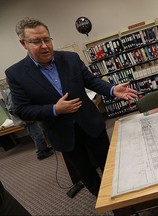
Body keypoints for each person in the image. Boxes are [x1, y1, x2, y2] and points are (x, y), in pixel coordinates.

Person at [5, 17, 138, 197]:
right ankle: (104, 200)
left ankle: (125, 195)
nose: (44, 46)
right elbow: (22, 109)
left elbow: (91, 81)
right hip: (61, 133)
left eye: (47, 39)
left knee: (111, 164)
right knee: (86, 173)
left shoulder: (71, 58)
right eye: (36, 42)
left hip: (90, 124)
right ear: (24, 44)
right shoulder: (15, 73)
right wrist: (54, 109)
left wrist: (113, 89)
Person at [2, 86, 53, 160]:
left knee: (37, 134)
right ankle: (41, 153)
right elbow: (12, 109)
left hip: (26, 117)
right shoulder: (11, 91)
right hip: (26, 119)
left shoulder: (9, 90)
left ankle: (44, 149)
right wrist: (25, 118)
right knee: (38, 135)